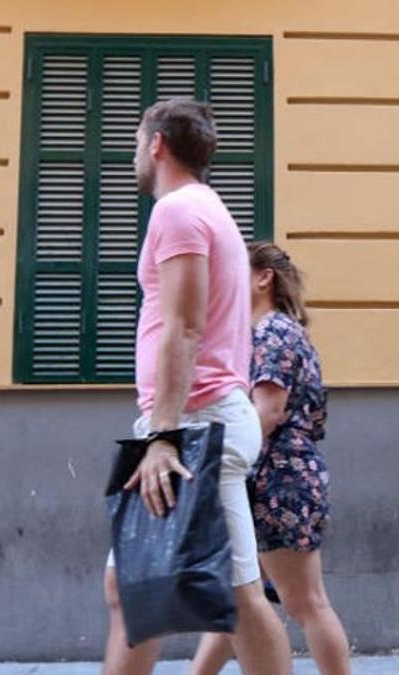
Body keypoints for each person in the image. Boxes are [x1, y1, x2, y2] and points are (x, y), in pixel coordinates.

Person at [102, 99, 291, 675]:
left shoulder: (179, 212)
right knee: (132, 585)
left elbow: (183, 327)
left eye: (138, 143)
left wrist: (161, 435)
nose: (136, 155)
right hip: (199, 419)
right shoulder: (207, 209)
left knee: (232, 596)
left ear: (156, 143)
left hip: (193, 424)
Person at [191, 244, 351, 675]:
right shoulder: (261, 332)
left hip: (278, 478)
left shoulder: (273, 332)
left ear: (264, 278)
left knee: (306, 603)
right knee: (238, 599)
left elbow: (268, 412)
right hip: (265, 477)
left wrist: (216, 465)